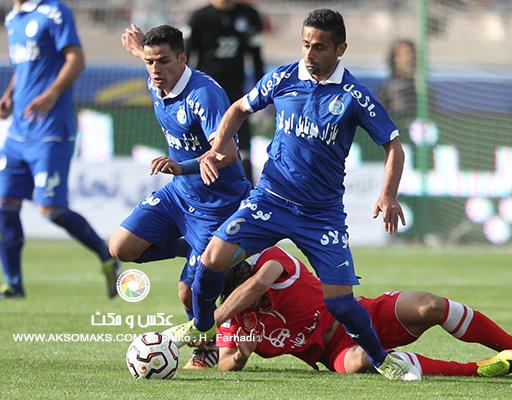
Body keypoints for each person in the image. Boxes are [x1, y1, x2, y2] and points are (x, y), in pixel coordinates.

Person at [165, 9, 419, 381]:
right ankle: (202, 329)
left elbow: (393, 145)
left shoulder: (354, 95)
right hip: (269, 199)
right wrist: (218, 146)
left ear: (340, 48)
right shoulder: (284, 78)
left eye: (319, 47)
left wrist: (388, 194)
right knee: (212, 258)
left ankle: (381, 358)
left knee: (342, 303)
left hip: (321, 214)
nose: (310, 54)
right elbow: (238, 109)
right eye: (305, 45)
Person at [194, 246, 512, 377]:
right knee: (360, 361)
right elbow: (227, 360)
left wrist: (211, 322)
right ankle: (478, 370)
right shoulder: (236, 320)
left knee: (431, 305)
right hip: (334, 351)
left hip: (362, 314)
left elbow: (259, 284)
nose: (238, 266)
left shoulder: (273, 263)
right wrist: (237, 353)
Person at [113, 25, 251, 320]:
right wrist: (139, 51)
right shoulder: (158, 80)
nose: (154, 69)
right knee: (121, 248)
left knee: (188, 292)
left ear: (183, 59)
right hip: (179, 195)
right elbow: (154, 60)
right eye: (150, 62)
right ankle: (190, 247)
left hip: (216, 204)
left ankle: (206, 345)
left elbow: (227, 154)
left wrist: (183, 166)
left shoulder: (205, 95)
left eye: (163, 61)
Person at [0, 0, 120, 299]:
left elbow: (76, 59)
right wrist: (10, 94)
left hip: (51, 132)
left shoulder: (54, 11)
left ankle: (106, 256)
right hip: (18, 132)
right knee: (4, 205)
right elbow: (24, 66)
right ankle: (13, 284)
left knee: (51, 210)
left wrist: (52, 93)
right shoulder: (14, 19)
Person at [184, 0, 265, 182]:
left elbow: (257, 57)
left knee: (242, 146)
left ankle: (247, 191)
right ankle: (200, 188)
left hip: (237, 94)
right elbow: (185, 56)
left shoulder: (249, 15)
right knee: (206, 146)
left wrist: (264, 96)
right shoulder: (199, 17)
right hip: (205, 96)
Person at [377, 39, 417, 117]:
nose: (410, 58)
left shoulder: (422, 88)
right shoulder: (387, 89)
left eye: (413, 54)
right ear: (395, 59)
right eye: (406, 54)